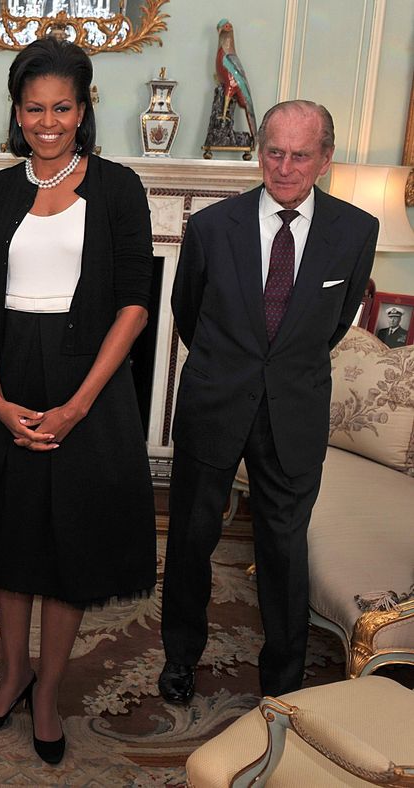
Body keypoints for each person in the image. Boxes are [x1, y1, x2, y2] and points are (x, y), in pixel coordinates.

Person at [0, 37, 156, 766]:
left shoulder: (120, 188)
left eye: (62, 107)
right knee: (10, 540)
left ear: (85, 107)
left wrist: (79, 405)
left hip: (87, 382)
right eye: (35, 108)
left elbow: (134, 305)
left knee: (68, 548)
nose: (48, 121)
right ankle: (12, 673)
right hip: (9, 378)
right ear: (17, 111)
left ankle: (50, 690)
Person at [159, 100, 378, 705]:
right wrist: (233, 365)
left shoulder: (356, 231)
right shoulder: (211, 227)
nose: (283, 167)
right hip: (214, 403)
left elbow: (333, 325)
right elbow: (188, 314)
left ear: (325, 159)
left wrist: (279, 368)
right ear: (260, 152)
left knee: (285, 549)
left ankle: (283, 680)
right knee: (191, 539)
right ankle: (180, 658)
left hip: (294, 411)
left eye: (299, 155)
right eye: (273, 152)